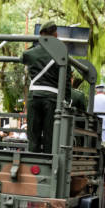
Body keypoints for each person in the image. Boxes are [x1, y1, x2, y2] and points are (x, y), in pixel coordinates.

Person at [23, 21, 71, 153]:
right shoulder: (62, 54)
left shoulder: (30, 53)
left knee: (33, 135)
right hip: (52, 98)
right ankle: (48, 165)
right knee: (50, 136)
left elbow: (23, 57)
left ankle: (32, 161)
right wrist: (66, 100)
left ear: (40, 35)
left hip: (34, 97)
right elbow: (67, 81)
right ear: (55, 35)